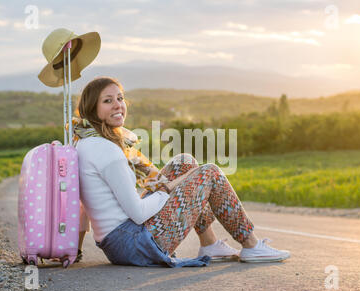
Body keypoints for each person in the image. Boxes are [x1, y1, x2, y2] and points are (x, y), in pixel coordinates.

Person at [73, 76, 290, 267]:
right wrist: (167, 190)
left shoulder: (85, 141)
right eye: (107, 101)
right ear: (92, 108)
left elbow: (83, 206)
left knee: (184, 162)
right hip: (134, 244)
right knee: (210, 172)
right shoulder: (106, 151)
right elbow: (138, 213)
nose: (118, 105)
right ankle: (251, 244)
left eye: (120, 98)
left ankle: (210, 244)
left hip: (121, 242)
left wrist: (76, 249)